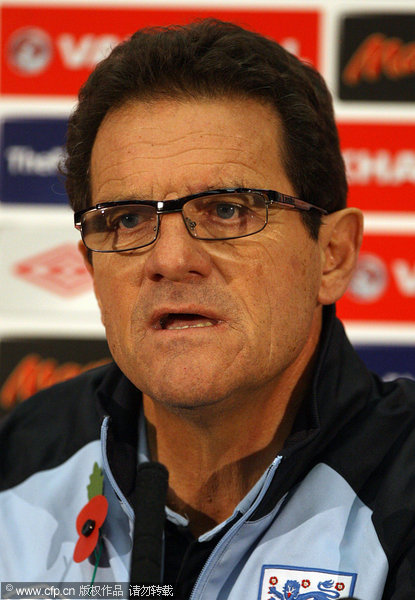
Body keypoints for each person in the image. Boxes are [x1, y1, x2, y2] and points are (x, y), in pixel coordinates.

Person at [1, 18, 414, 600]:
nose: (170, 259)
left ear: (332, 255)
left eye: (227, 210)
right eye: (127, 219)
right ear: (93, 272)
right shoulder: (18, 461)